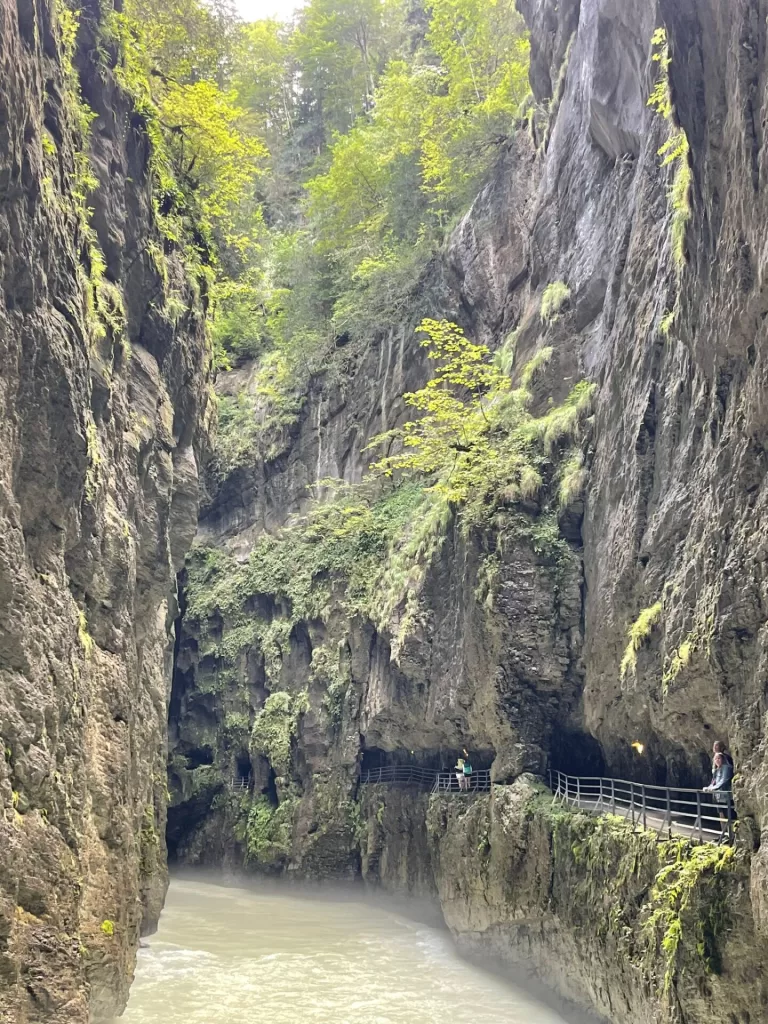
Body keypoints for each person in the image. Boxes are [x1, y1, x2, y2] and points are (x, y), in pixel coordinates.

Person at [703, 752, 734, 843]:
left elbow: (723, 780)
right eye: (715, 759)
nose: (717, 760)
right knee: (721, 815)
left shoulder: (726, 768)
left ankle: (731, 836)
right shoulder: (716, 769)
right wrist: (708, 788)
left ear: (723, 759)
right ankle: (724, 834)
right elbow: (714, 781)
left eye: (719, 758)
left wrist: (713, 788)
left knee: (728, 815)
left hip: (725, 796)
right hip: (718, 796)